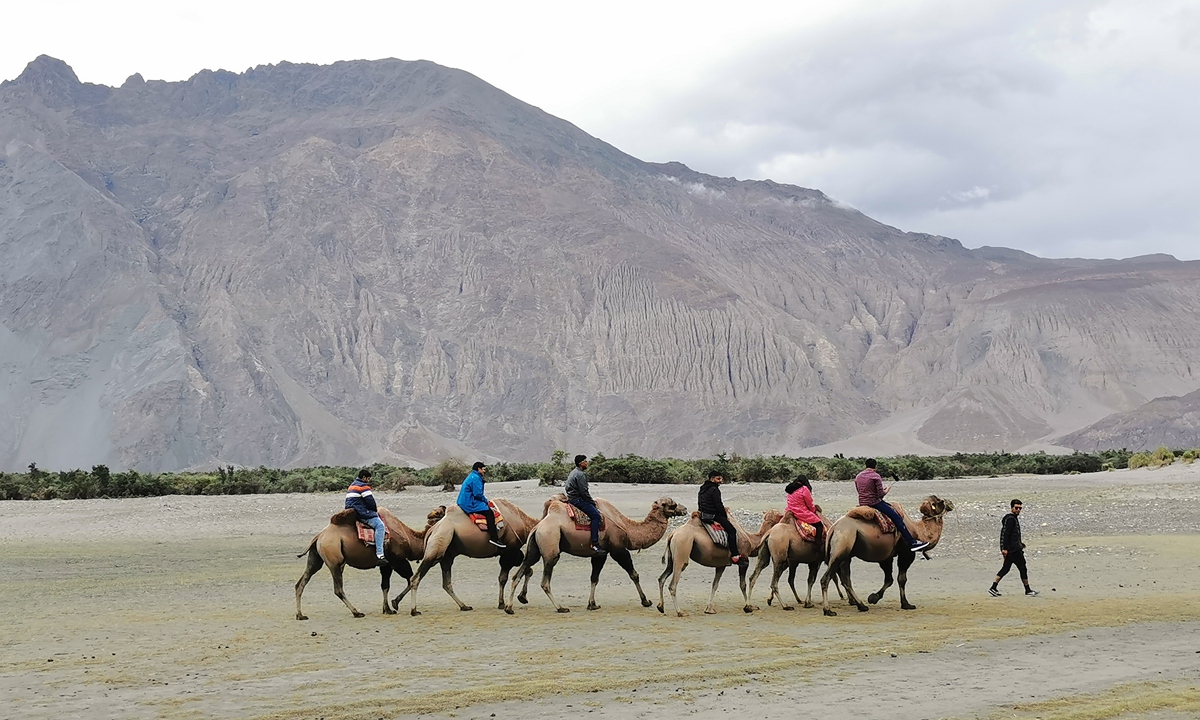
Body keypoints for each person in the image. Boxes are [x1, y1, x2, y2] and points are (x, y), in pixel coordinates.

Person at [854, 459, 930, 553]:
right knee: (897, 518)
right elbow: (880, 494)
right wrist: (887, 489)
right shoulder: (875, 476)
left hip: (862, 503)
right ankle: (912, 543)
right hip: (874, 503)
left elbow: (860, 490)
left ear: (865, 465)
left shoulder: (858, 476)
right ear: (875, 466)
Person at [990, 499, 1038, 597]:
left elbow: (1012, 535)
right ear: (1012, 508)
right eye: (1016, 508)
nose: (1018, 510)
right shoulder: (1011, 519)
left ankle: (993, 587)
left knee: (1006, 568)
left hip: (1013, 548)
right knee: (1022, 568)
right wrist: (1004, 549)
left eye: (1020, 508)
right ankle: (1027, 590)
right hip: (1013, 550)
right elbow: (1005, 534)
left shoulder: (1011, 518)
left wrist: (1020, 543)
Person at [698, 470, 744, 565]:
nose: (720, 481)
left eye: (721, 478)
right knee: (732, 531)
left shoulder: (702, 488)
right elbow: (718, 505)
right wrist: (724, 516)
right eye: (718, 478)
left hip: (704, 515)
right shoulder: (714, 489)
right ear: (712, 479)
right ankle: (735, 555)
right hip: (714, 515)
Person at [345, 468, 387, 565]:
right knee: (380, 525)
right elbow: (370, 502)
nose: (368, 481)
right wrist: (373, 511)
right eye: (368, 479)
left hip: (351, 511)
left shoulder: (352, 485)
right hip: (361, 513)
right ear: (364, 478)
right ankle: (380, 555)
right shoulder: (363, 487)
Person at [457, 461, 505, 547]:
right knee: (489, 512)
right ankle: (494, 538)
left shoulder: (472, 476)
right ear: (478, 469)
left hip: (465, 500)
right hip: (469, 502)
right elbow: (478, 494)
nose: (484, 471)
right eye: (483, 469)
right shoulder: (476, 478)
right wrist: (486, 501)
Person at [565, 455, 605, 554]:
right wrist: (591, 502)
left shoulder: (573, 472)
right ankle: (595, 543)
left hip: (571, 498)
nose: (587, 463)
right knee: (596, 516)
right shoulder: (581, 475)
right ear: (580, 463)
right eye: (585, 461)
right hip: (577, 500)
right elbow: (584, 492)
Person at [785, 475, 823, 545]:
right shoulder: (804, 489)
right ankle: (818, 543)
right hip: (800, 512)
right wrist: (813, 510)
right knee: (819, 525)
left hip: (790, 511)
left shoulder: (791, 489)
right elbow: (809, 503)